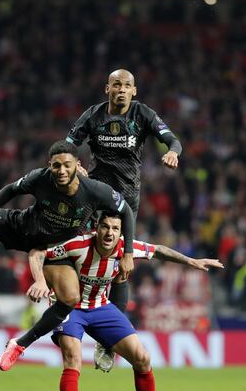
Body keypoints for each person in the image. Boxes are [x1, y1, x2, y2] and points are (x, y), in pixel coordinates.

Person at [0, 212, 223, 391]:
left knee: (142, 358)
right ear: (97, 228)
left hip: (101, 307)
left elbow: (158, 250)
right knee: (73, 358)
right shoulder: (79, 245)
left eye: (115, 228)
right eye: (105, 227)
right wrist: (40, 279)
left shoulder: (126, 248)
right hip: (70, 308)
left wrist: (191, 261)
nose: (110, 233)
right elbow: (37, 252)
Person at [0, 141, 135, 359]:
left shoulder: (95, 191)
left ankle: (23, 344)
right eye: (56, 165)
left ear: (77, 165)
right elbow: (11, 190)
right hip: (22, 227)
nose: (61, 171)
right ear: (49, 165)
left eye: (67, 165)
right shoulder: (40, 178)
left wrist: (127, 254)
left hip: (52, 248)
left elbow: (125, 211)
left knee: (70, 297)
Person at [66, 69, 183, 368]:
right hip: (95, 193)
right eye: (116, 84)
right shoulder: (92, 115)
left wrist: (172, 153)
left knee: (119, 262)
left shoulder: (143, 114)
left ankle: (108, 342)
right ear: (107, 88)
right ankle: (67, 311)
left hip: (126, 200)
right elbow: (69, 143)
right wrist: (72, 163)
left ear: (134, 91)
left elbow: (173, 140)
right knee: (77, 249)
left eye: (126, 86)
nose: (121, 89)